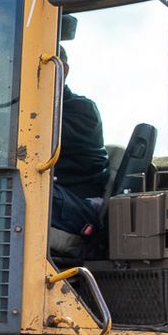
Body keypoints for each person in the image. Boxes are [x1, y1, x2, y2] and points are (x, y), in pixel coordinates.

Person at [50, 50, 108, 245]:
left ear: (62, 70)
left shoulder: (82, 111)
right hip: (57, 197)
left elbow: (43, 131)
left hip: (78, 207)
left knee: (12, 189)